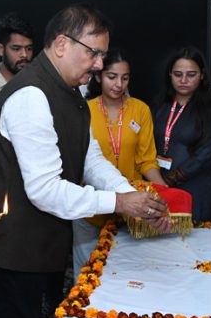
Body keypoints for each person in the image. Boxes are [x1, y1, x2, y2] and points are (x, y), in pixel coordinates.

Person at [0, 4, 170, 318]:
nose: (99, 65)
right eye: (94, 54)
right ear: (61, 45)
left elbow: (89, 157)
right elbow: (45, 189)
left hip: (33, 243)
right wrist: (119, 201)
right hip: (9, 246)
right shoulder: (30, 97)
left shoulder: (68, 91)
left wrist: (129, 193)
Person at [71, 47, 167, 276]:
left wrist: (164, 193)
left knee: (126, 275)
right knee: (87, 275)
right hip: (91, 208)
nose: (118, 85)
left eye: (124, 78)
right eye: (111, 77)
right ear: (97, 76)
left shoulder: (140, 110)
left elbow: (146, 161)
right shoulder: (84, 110)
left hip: (130, 208)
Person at [153, 46, 211, 222]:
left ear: (202, 75)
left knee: (195, 246)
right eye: (178, 74)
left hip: (197, 190)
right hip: (162, 187)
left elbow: (205, 155)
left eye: (191, 74)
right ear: (170, 75)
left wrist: (169, 180)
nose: (184, 80)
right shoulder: (160, 106)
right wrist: (157, 181)